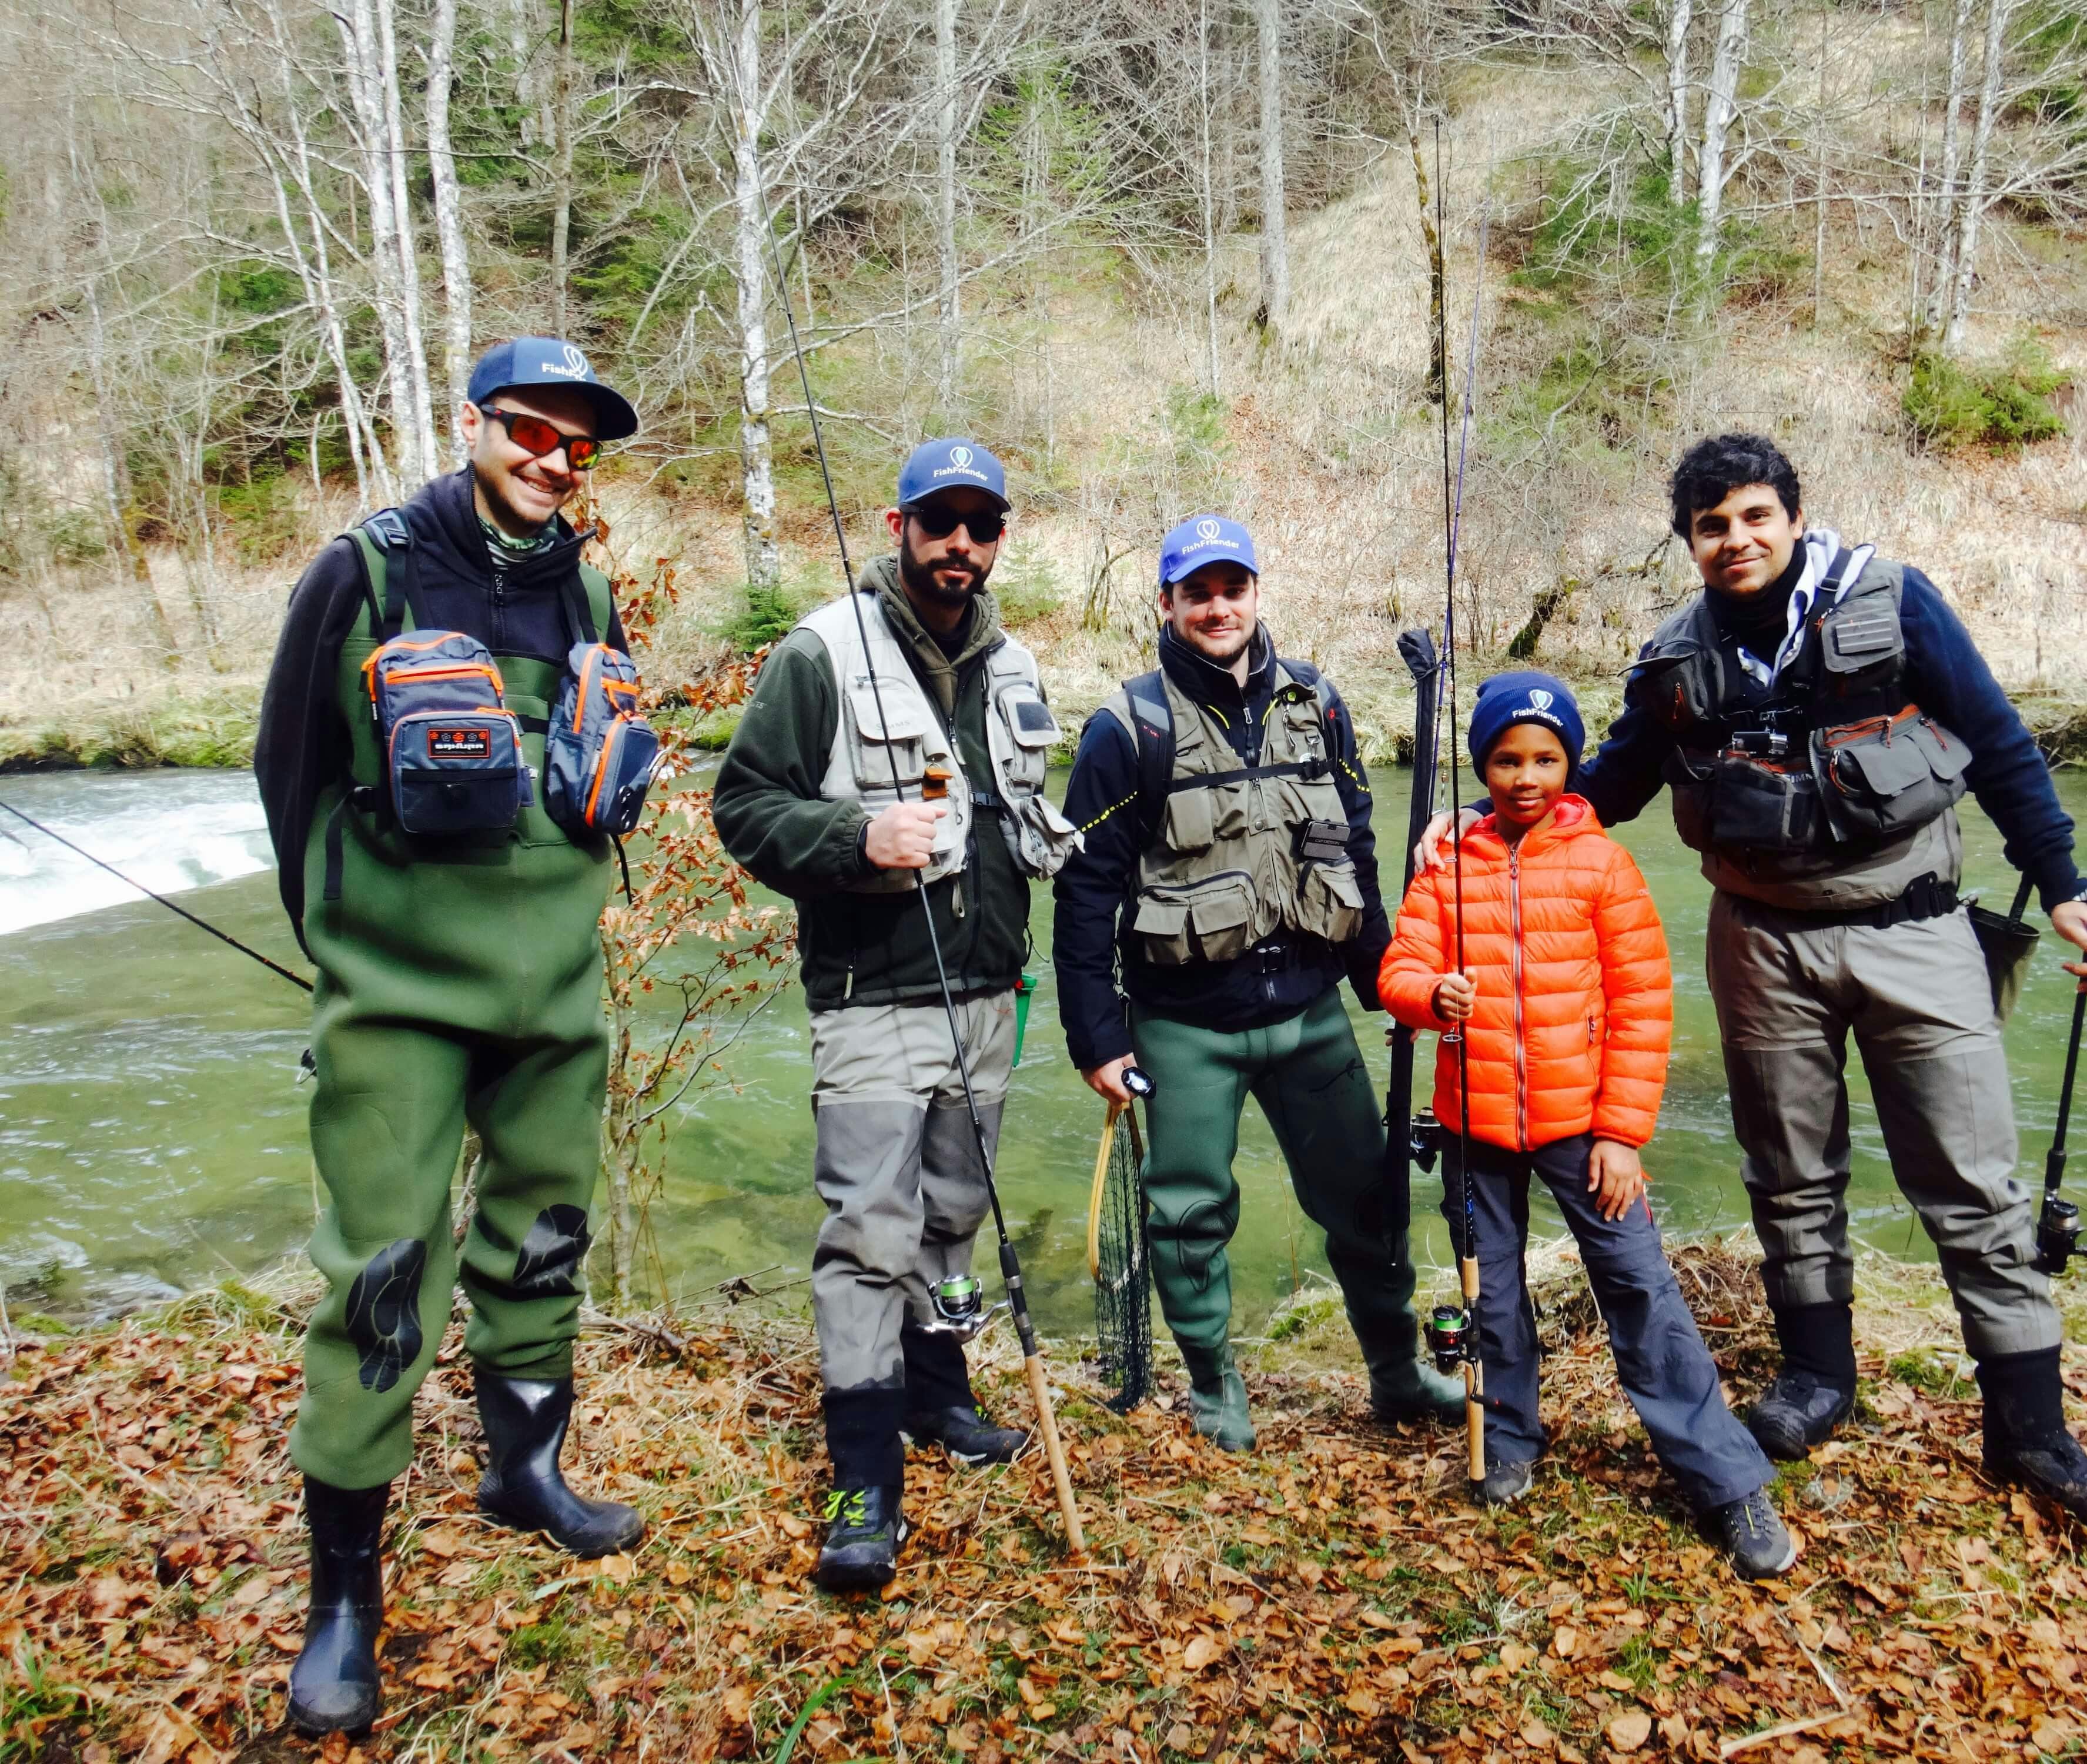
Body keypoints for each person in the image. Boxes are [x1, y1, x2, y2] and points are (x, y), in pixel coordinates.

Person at [1423, 433, 2087, 1542]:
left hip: (1915, 929)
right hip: (1760, 940)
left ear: (1792, 519)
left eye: (1755, 517)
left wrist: (2062, 884)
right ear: (1692, 542)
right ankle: (1817, 1380)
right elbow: (1603, 780)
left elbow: (1997, 743)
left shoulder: (1894, 605)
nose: (1736, 540)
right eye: (1713, 526)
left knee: (1972, 1181)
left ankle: (2030, 1430)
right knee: (1791, 1174)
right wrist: (1477, 835)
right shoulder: (1674, 661)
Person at [254, 339, 648, 1738]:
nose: (552, 459)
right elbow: (286, 771)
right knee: (381, 1278)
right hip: (399, 1001)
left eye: (577, 445)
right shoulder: (363, 573)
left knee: (545, 1236)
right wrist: (347, 956)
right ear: (470, 423)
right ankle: (343, 1604)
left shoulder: (587, 584)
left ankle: (520, 1473)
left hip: (556, 995)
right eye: (530, 431)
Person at [712, 439, 1080, 1593]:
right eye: (939, 522)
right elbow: (742, 806)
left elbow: (1021, 816)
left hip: (986, 994)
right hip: (871, 1000)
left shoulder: (1015, 664)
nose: (959, 544)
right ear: (898, 525)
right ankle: (859, 1483)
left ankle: (937, 1401)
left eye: (981, 525)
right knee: (869, 1239)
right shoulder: (821, 652)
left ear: (1000, 537)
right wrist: (854, 839)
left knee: (953, 1214)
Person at [1052, 513, 1463, 1452]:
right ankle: (1214, 1385)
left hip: (1312, 1010)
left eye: (1232, 588)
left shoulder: (1316, 704)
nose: (1217, 607)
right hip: (1183, 1023)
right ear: (1168, 604)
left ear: (1256, 594)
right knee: (1189, 1214)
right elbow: (1086, 891)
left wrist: (1390, 981)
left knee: (1367, 1199)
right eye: (1197, 592)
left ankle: (1396, 1374)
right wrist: (1096, 1037)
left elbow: (1354, 845)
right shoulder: (1129, 728)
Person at [1380, 671, 1794, 1573]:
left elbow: (1645, 1003)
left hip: (1585, 1131)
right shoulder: (1447, 863)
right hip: (1471, 1126)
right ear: (1483, 765)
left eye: (1545, 758)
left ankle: (1728, 1483)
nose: (1525, 777)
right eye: (1504, 759)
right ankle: (1510, 1440)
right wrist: (1430, 996)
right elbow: (1400, 969)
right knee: (1491, 1296)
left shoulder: (1605, 864)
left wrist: (1620, 1133)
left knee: (1643, 1293)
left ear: (1570, 763)